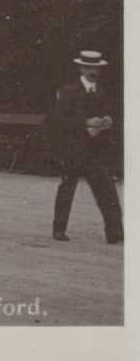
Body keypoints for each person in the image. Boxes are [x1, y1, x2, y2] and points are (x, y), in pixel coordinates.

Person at [46, 50, 123, 244]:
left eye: (96, 68)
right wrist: (87, 122)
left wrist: (108, 121)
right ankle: (59, 229)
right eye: (89, 67)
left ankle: (115, 233)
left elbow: (109, 115)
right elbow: (58, 120)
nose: (93, 71)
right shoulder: (68, 91)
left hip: (95, 150)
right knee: (67, 188)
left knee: (106, 189)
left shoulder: (102, 92)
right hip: (72, 148)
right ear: (81, 68)